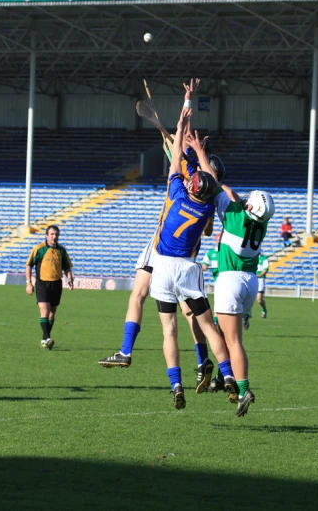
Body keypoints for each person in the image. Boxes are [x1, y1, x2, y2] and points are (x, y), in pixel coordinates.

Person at [99, 80, 227, 398]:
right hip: (188, 255)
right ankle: (203, 362)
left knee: (138, 296)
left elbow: (183, 133)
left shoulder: (183, 173)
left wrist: (187, 102)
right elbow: (209, 229)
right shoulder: (206, 192)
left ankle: (127, 352)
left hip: (161, 246)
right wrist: (178, 130)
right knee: (191, 313)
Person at [150, 97, 234, 410]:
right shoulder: (209, 206)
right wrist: (197, 150)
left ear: (189, 184)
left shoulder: (175, 190)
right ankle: (228, 376)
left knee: (169, 330)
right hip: (188, 269)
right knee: (209, 326)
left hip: (162, 268)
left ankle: (175, 384)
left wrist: (184, 115)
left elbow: (176, 161)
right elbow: (210, 178)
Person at [212, 186, 275, 416]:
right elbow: (238, 200)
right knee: (221, 331)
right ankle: (222, 376)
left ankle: (243, 390)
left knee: (232, 340)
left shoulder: (235, 216)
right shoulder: (262, 222)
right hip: (250, 281)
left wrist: (200, 154)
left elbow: (220, 190)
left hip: (230, 278)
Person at [26, 225, 74, 350]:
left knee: (52, 313)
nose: (54, 236)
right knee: (45, 311)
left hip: (57, 284)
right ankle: (48, 338)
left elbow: (66, 267)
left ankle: (44, 339)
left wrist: (70, 279)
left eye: (56, 234)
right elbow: (29, 265)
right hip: (42, 283)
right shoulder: (39, 249)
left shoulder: (62, 250)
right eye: (52, 234)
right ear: (46, 235)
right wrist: (29, 283)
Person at [256, 253, 269, 319]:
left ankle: (264, 310)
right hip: (251, 279)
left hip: (260, 280)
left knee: (259, 300)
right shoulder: (251, 257)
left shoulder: (263, 258)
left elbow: (266, 269)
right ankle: (247, 314)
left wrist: (259, 275)